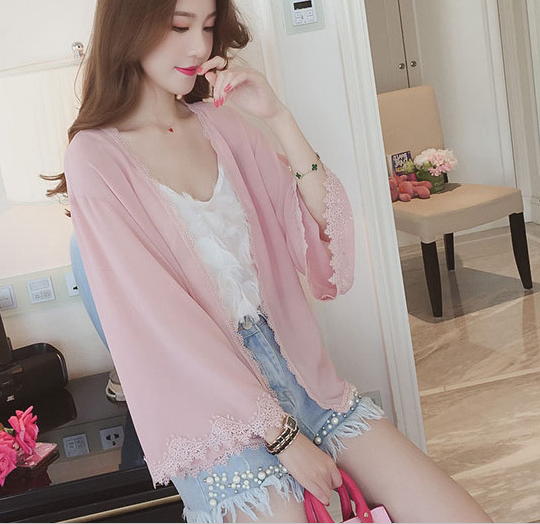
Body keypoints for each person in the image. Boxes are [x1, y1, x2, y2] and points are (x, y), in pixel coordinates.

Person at [45, 0, 494, 522]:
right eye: (179, 26)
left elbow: (322, 233)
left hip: (304, 380)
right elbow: (165, 322)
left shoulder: (223, 126)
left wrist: (279, 118)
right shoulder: (95, 158)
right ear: (129, 24)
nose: (199, 46)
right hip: (214, 414)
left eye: (208, 27)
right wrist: (282, 438)